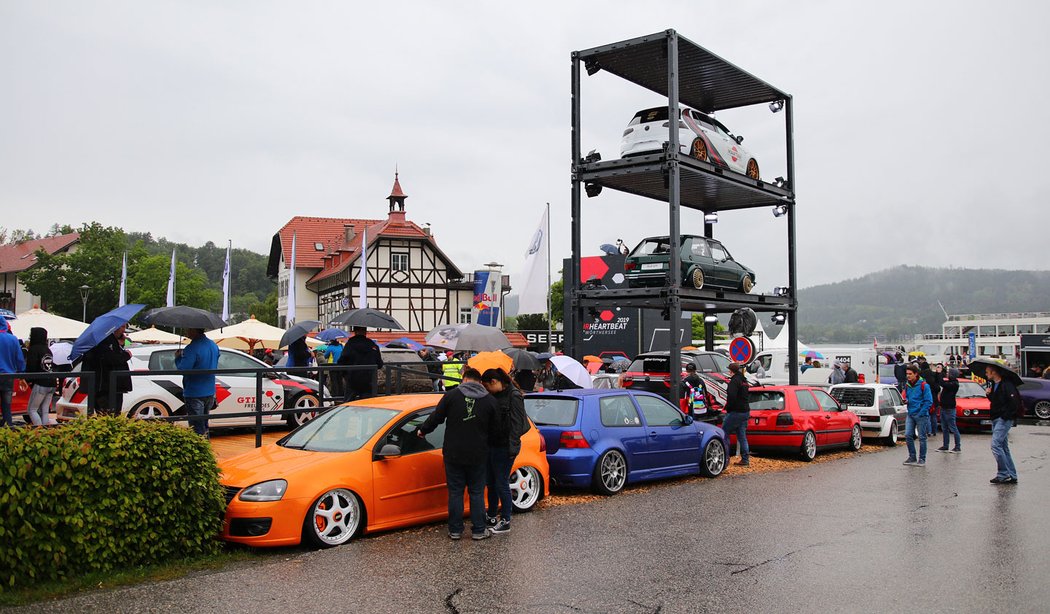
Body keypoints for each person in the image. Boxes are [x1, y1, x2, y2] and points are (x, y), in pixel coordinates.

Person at [416, 368, 496, 540]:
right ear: (479, 381)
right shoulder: (489, 401)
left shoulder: (451, 396)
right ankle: (479, 530)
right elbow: (496, 429)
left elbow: (436, 417)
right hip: (478, 454)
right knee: (476, 492)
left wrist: (423, 430)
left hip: (453, 453)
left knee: (455, 492)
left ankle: (455, 530)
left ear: (464, 379)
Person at [480, 368, 528, 535]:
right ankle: (492, 515)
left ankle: (506, 519)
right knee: (491, 482)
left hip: (505, 446)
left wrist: (512, 448)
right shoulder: (494, 395)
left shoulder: (513, 396)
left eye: (487, 387)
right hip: (492, 444)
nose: (486, 390)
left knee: (501, 483)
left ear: (494, 382)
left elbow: (517, 424)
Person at [174, 328, 219, 437]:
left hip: (194, 391)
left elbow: (184, 369)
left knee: (196, 426)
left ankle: (200, 450)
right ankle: (206, 447)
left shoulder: (192, 348)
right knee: (204, 423)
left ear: (193, 330)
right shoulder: (213, 345)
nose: (186, 332)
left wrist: (178, 358)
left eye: (188, 329)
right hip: (209, 390)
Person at [81, 324, 133, 416]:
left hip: (108, 385)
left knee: (109, 413)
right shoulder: (105, 341)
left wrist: (120, 343)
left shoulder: (112, 340)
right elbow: (111, 359)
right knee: (109, 414)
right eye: (122, 326)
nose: (123, 330)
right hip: (106, 386)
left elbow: (128, 344)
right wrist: (126, 355)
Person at [985, 364, 1022, 484]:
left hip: (1003, 419)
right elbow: (997, 402)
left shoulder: (1007, 385)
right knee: (1003, 447)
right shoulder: (994, 385)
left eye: (987, 372)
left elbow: (1014, 403)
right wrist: (989, 394)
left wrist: (1005, 416)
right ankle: (1012, 474)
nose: (986, 374)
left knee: (995, 445)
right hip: (996, 417)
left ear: (994, 372)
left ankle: (1003, 473)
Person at [337, 326, 383, 401]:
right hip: (368, 380)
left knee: (348, 404)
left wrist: (345, 374)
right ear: (365, 332)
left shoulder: (350, 345)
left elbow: (341, 362)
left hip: (352, 379)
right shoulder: (373, 345)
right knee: (367, 404)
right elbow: (379, 364)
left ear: (355, 332)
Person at [24, 327, 56, 426]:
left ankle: (39, 432)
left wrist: (28, 380)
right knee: (44, 410)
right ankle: (46, 434)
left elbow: (31, 367)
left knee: (32, 410)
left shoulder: (33, 349)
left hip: (40, 383)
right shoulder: (47, 350)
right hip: (51, 382)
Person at [902, 364, 933, 466]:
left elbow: (929, 401)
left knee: (922, 437)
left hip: (921, 415)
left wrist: (922, 412)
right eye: (907, 374)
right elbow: (908, 397)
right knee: (908, 435)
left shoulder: (924, 385)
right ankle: (912, 456)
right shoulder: (907, 385)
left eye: (910, 374)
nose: (908, 376)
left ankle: (922, 459)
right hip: (910, 413)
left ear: (916, 374)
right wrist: (906, 401)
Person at [723, 362, 751, 467]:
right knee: (742, 436)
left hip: (736, 411)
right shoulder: (744, 380)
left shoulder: (734, 381)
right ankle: (745, 460)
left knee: (724, 433)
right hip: (745, 411)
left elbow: (731, 396)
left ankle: (725, 458)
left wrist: (728, 409)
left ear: (731, 371)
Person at [0, 318, 26, 427]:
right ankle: (8, 429)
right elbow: (19, 359)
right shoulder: (13, 339)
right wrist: (21, 375)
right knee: (7, 406)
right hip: (8, 377)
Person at [936, 367, 962, 453]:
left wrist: (940, 374)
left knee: (953, 427)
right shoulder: (950, 382)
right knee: (944, 428)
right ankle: (945, 445)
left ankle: (957, 446)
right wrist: (939, 374)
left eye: (948, 373)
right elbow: (942, 382)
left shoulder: (954, 384)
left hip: (950, 409)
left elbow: (942, 383)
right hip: (943, 407)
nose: (947, 374)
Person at [920, 361, 942, 436]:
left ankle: (928, 431)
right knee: (934, 415)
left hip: (924, 398)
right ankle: (934, 431)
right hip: (934, 398)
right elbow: (938, 387)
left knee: (927, 415)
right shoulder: (933, 374)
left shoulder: (921, 375)